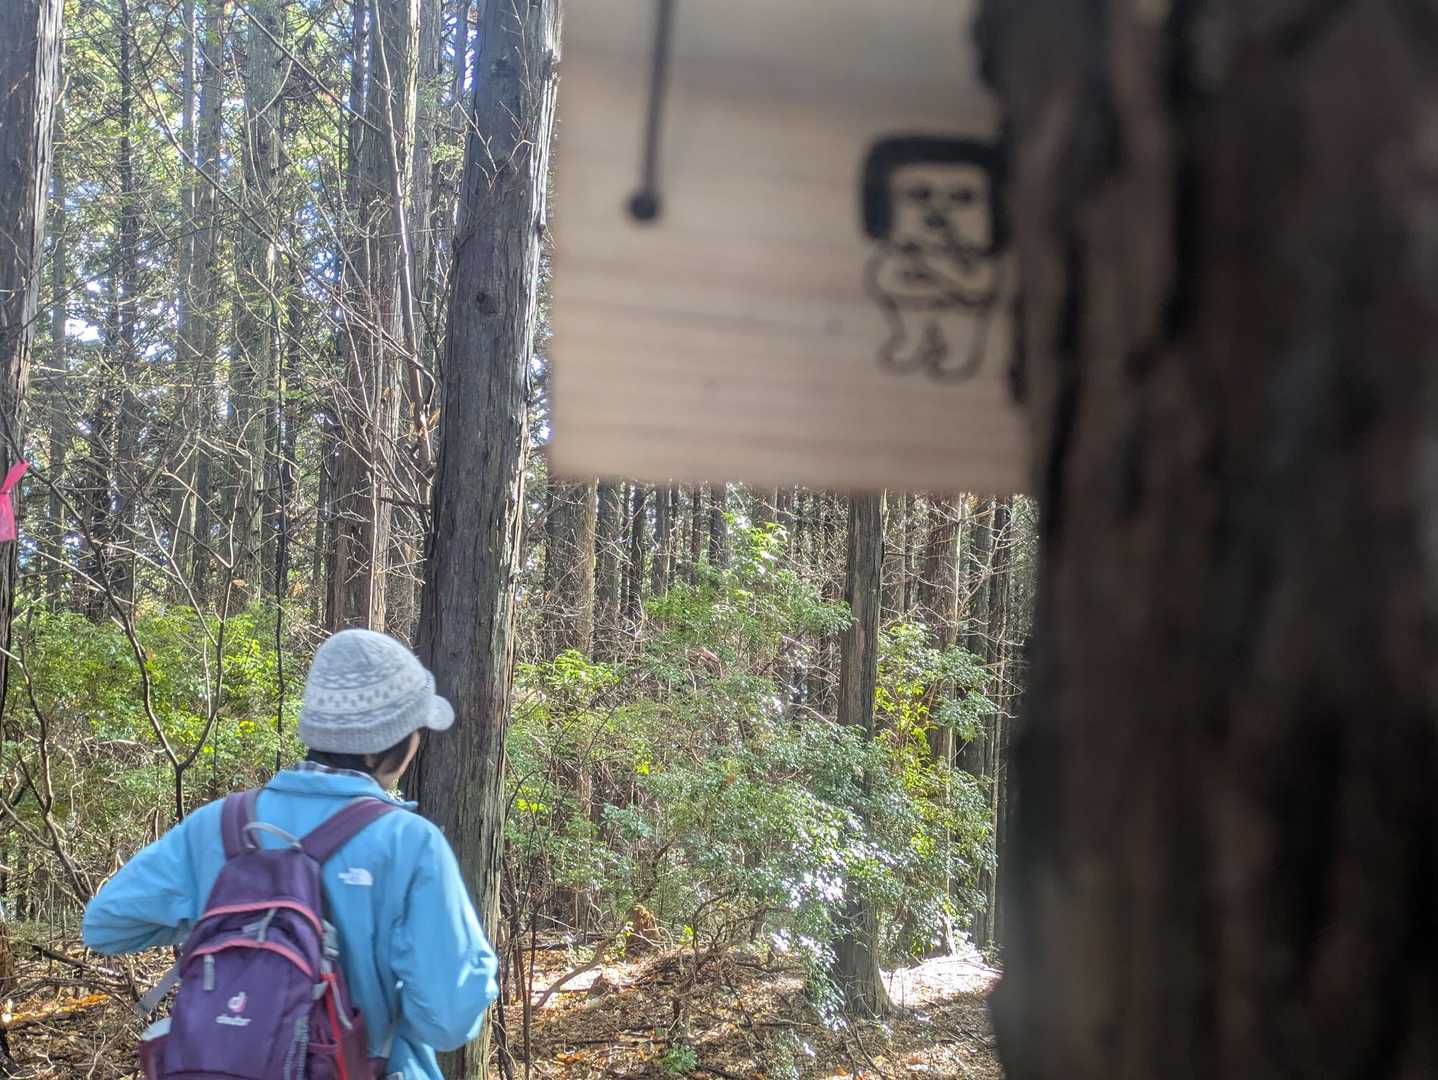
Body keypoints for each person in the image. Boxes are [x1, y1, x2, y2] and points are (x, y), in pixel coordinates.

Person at [82, 628, 498, 1080]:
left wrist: (228, 917)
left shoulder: (218, 825)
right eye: (416, 730)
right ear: (388, 741)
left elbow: (105, 925)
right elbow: (448, 1022)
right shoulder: (409, 843)